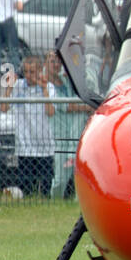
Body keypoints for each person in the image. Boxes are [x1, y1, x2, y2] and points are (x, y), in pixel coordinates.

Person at [1, 54, 56, 197]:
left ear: (40, 71)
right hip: (24, 147)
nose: (28, 75)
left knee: (44, 191)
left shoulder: (49, 87)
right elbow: (4, 108)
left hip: (44, 147)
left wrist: (44, 91)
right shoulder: (18, 87)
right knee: (26, 190)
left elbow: (50, 112)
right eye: (26, 72)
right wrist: (9, 88)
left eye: (32, 72)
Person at [43, 51, 92, 198]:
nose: (56, 65)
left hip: (75, 134)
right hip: (60, 136)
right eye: (52, 61)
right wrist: (87, 107)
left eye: (59, 61)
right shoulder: (47, 85)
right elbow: (67, 106)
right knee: (60, 178)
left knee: (79, 173)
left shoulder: (65, 81)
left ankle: (79, 202)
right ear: (46, 63)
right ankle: (55, 201)